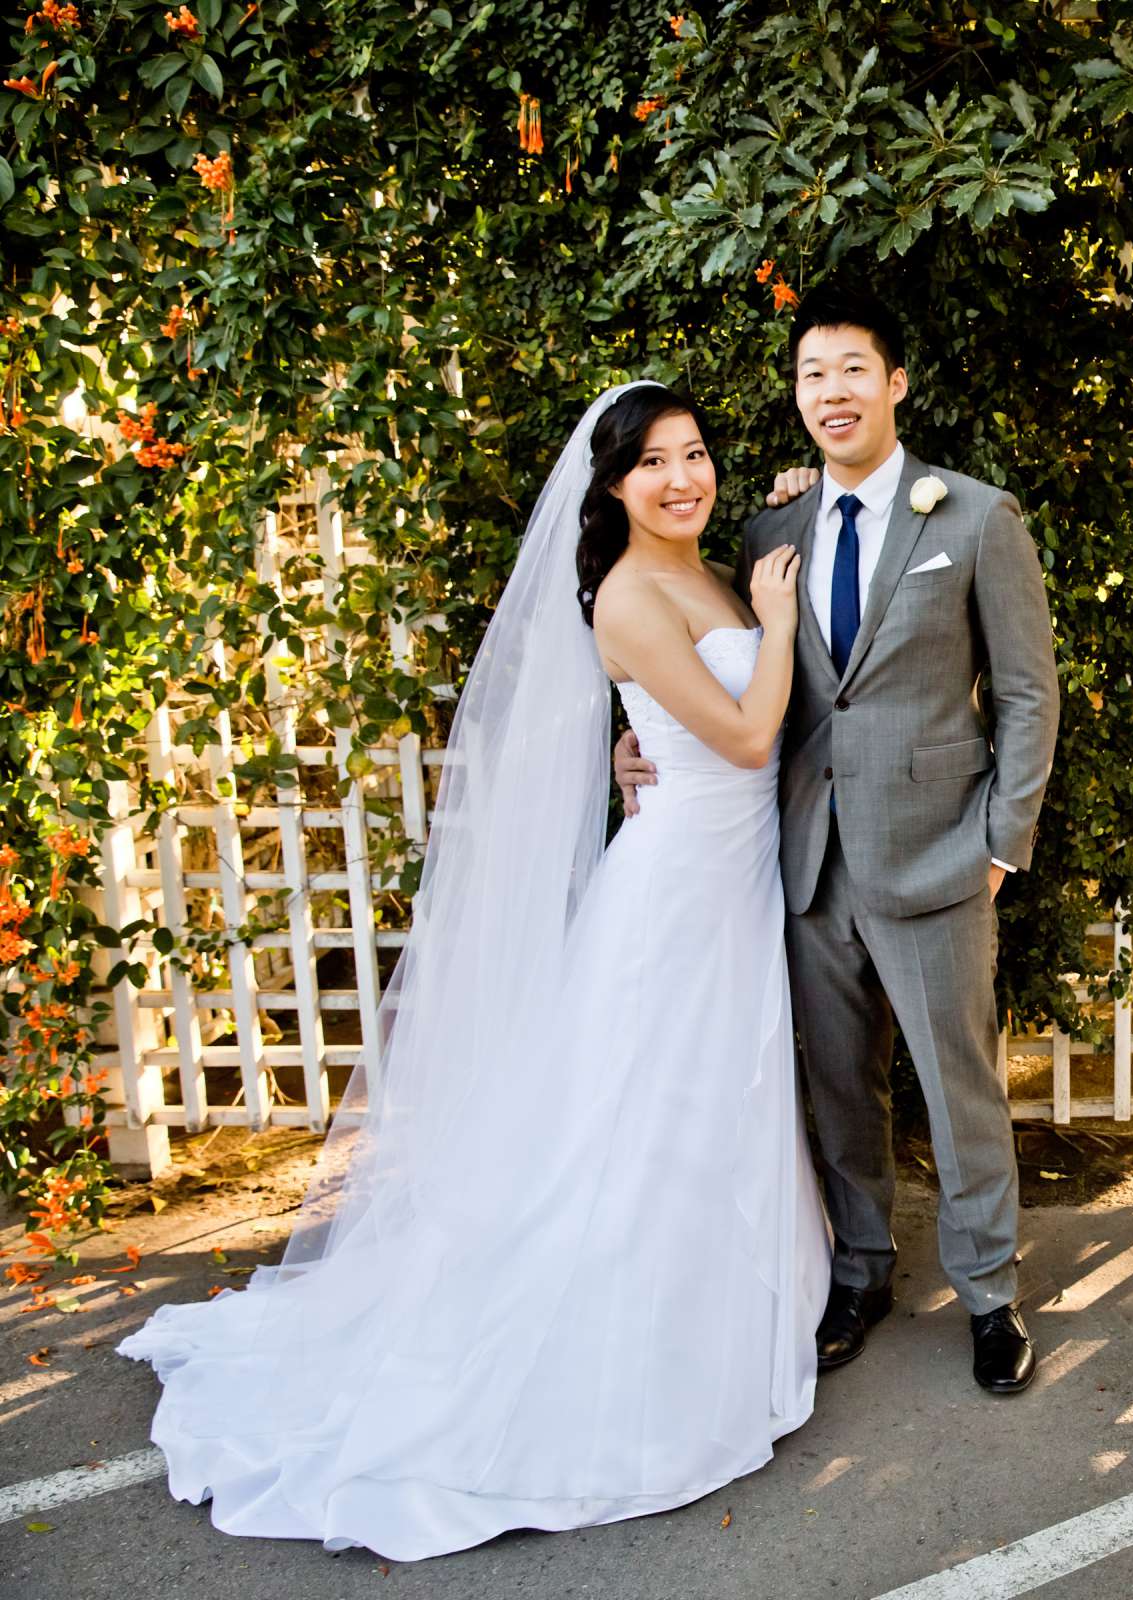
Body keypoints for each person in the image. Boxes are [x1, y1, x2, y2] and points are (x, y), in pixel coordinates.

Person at [117, 384, 832, 1561]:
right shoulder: (630, 591)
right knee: (637, 1119)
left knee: (710, 1102)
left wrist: (783, 532)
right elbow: (752, 736)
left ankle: (720, 1315)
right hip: (677, 896)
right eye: (652, 463)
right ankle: (616, 1357)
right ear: (610, 487)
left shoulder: (710, 569)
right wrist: (783, 629)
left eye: (695, 455)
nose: (681, 478)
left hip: (729, 874)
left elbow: (693, 707)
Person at [615, 286, 1060, 1395]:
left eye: (853, 369)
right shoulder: (772, 530)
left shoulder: (972, 518)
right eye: (814, 374)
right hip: (805, 865)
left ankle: (991, 1294)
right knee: (835, 1090)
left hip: (939, 857)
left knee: (959, 1088)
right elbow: (708, 672)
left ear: (895, 382)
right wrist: (632, 756)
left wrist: (1002, 842)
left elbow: (1026, 695)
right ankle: (859, 1272)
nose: (833, 392)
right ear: (798, 394)